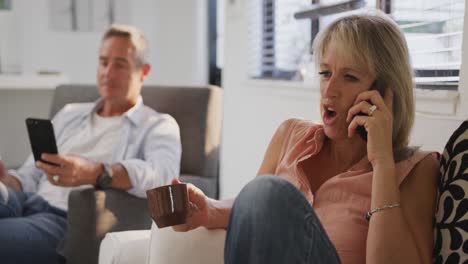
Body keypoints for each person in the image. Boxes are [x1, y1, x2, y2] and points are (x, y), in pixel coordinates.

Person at [172, 11, 439, 264]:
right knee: (263, 192)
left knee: (268, 190)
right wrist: (210, 209)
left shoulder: (416, 169)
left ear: (384, 93)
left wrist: (382, 163)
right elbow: (258, 211)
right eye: (325, 73)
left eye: (349, 77)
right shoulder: (290, 135)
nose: (329, 90)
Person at [0, 24, 181, 263]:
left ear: (143, 71)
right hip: (23, 201)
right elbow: (30, 175)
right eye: (104, 62)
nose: (108, 72)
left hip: (62, 219)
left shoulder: (158, 125)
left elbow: (163, 177)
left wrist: (97, 173)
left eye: (120, 64)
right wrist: (8, 180)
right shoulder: (70, 113)